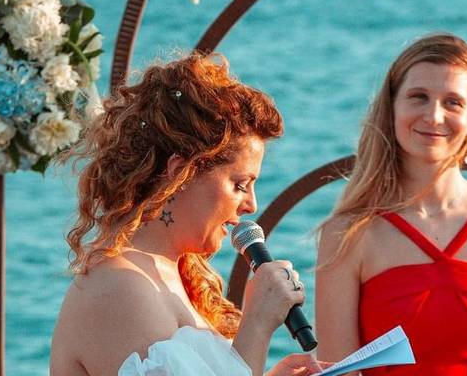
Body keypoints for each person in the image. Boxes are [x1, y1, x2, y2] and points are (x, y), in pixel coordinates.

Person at [50, 53, 325, 376]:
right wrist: (258, 324)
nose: (251, 204)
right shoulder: (120, 286)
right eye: (240, 184)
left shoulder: (171, 274)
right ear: (180, 173)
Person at [315, 33, 467, 376]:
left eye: (453, 102)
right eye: (418, 97)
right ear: (392, 106)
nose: (434, 116)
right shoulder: (347, 234)